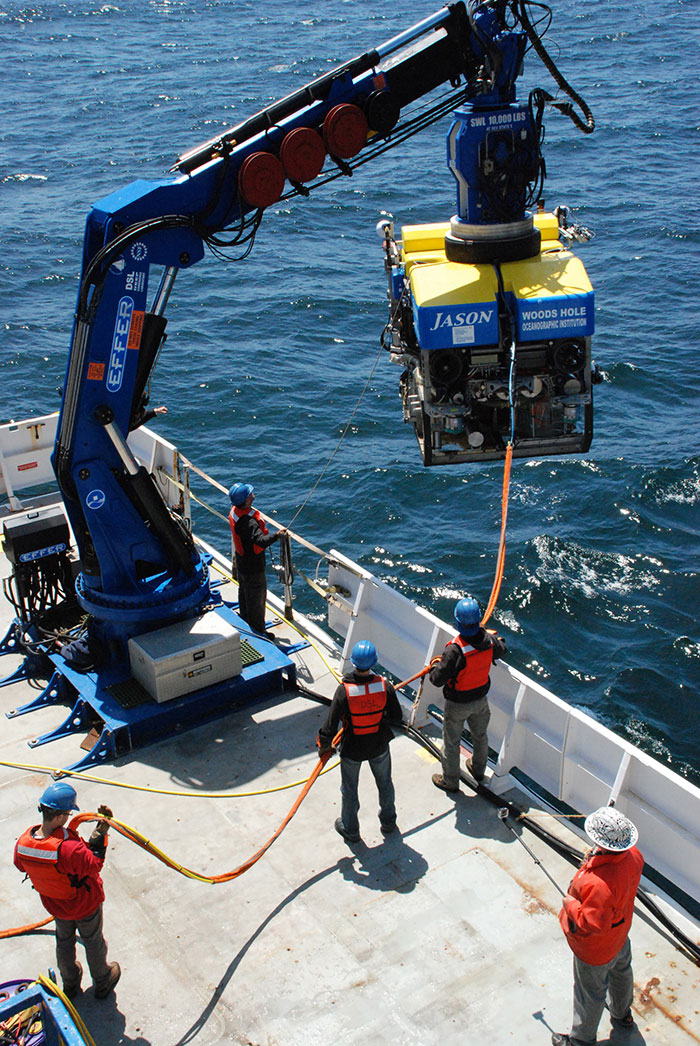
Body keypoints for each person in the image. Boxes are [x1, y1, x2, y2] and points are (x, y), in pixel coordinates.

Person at [14, 782, 121, 1000]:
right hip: (83, 904)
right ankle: (103, 980)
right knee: (92, 940)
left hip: (56, 904)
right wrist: (102, 831)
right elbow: (94, 864)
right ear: (63, 815)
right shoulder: (68, 847)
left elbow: (21, 865)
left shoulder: (24, 843)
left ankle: (70, 984)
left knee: (64, 940)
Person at [552, 807, 644, 1046]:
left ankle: (581, 1040)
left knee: (589, 993)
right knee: (622, 972)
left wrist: (570, 903)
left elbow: (590, 923)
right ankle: (622, 1014)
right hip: (620, 936)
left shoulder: (597, 884)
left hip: (595, 950)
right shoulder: (635, 857)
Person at [317, 640, 403, 843]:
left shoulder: (344, 691)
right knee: (385, 784)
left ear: (353, 662)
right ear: (374, 662)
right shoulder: (385, 686)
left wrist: (325, 744)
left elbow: (330, 725)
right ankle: (389, 822)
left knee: (349, 790)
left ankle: (351, 829)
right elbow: (397, 717)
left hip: (352, 748)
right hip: (379, 745)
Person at [429, 595, 507, 792]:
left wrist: (434, 666)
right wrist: (498, 639)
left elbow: (437, 679)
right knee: (480, 736)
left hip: (458, 704)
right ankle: (478, 770)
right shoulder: (489, 641)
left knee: (452, 742)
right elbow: (501, 649)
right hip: (480, 700)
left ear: (458, 622)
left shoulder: (455, 650)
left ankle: (450, 780)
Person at [228, 482, 286, 636]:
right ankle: (259, 632)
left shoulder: (235, 511)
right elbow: (261, 541)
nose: (253, 494)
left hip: (242, 561)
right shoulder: (248, 522)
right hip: (253, 566)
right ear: (246, 501)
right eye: (250, 493)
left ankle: (245, 620)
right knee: (257, 600)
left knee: (244, 592)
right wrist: (278, 535)